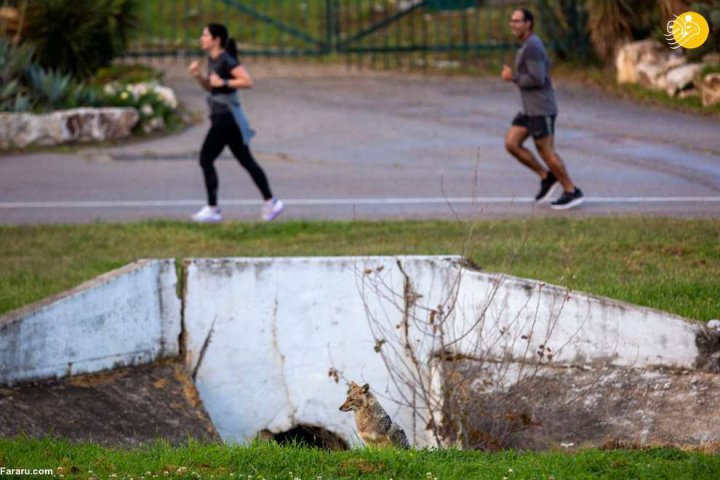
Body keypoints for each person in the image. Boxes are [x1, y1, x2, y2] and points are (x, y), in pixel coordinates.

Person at [188, 23, 284, 222]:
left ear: (216, 40)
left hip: (226, 118)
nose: (201, 38)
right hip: (222, 117)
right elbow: (212, 88)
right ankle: (270, 201)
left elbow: (247, 81)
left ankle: (213, 208)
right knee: (246, 160)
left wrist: (224, 82)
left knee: (206, 159)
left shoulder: (226, 60)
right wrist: (198, 76)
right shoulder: (212, 59)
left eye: (205, 35)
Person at [502, 8, 584, 210]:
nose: (513, 24)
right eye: (511, 21)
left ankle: (571, 190)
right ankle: (546, 177)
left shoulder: (532, 47)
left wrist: (513, 77)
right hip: (529, 110)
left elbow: (538, 78)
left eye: (518, 21)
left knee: (546, 152)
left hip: (541, 109)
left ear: (528, 23)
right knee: (512, 143)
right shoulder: (527, 45)